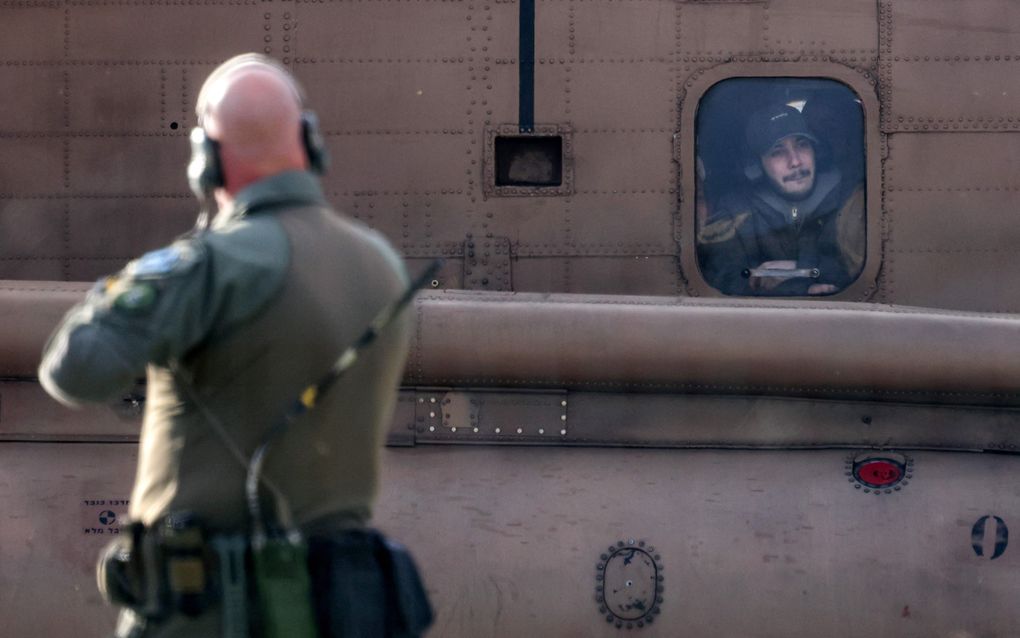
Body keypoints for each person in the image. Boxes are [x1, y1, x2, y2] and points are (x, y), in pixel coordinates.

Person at [38, 54, 429, 637]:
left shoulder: (213, 267)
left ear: (207, 159)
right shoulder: (382, 265)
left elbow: (76, 369)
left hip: (209, 615)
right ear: (309, 141)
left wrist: (132, 285)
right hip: (339, 610)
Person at [697, 102, 865, 296]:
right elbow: (725, 280)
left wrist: (805, 269)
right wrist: (803, 287)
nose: (795, 161)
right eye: (777, 152)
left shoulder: (850, 199)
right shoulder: (734, 211)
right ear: (757, 165)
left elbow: (859, 270)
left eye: (802, 145)